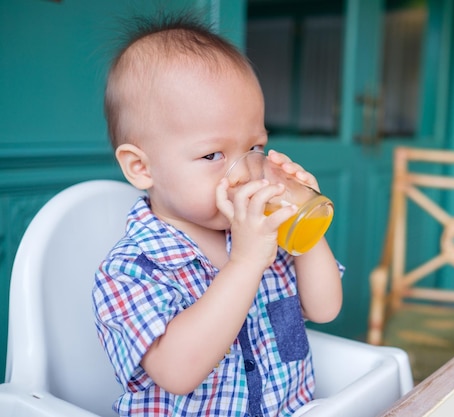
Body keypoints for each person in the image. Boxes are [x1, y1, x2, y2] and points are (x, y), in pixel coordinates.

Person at [92, 13, 343, 417]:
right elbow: (177, 371)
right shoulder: (131, 271)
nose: (244, 171)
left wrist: (302, 221)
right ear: (142, 168)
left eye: (255, 146)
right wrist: (245, 263)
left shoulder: (263, 230)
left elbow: (325, 308)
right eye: (212, 155)